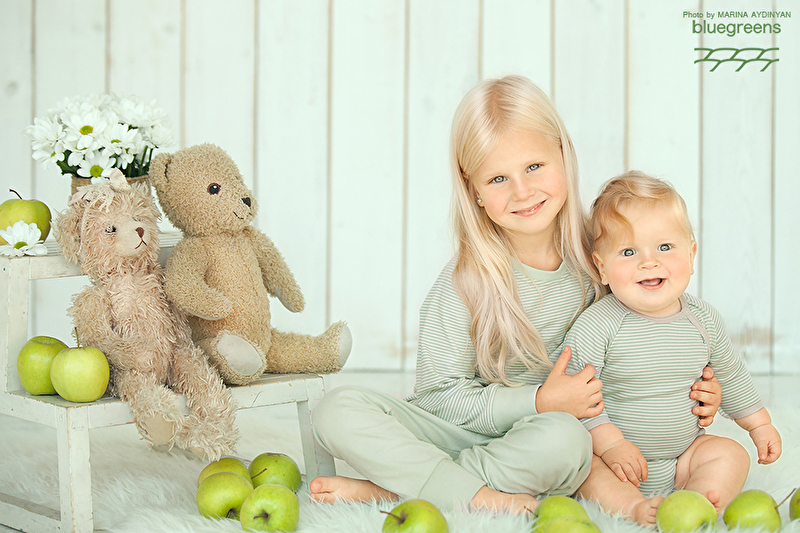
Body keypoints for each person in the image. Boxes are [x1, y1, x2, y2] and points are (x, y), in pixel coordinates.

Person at [309, 76, 721, 514]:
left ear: (563, 153)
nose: (522, 192)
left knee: (566, 440)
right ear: (474, 189)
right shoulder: (466, 282)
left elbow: (649, 330)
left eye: (534, 166)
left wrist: (692, 388)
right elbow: (436, 400)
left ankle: (398, 489)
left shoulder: (607, 257)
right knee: (335, 410)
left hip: (545, 439)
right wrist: (537, 400)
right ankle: (461, 489)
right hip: (462, 431)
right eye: (498, 178)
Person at [570, 171, 782, 526]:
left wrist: (759, 425)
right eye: (628, 251)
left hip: (685, 454)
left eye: (665, 247)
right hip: (614, 459)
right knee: (584, 470)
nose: (649, 262)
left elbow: (731, 376)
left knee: (730, 453)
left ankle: (693, 501)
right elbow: (576, 399)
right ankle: (634, 508)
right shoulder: (598, 324)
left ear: (691, 254)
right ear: (602, 267)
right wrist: (610, 445)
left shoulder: (703, 319)